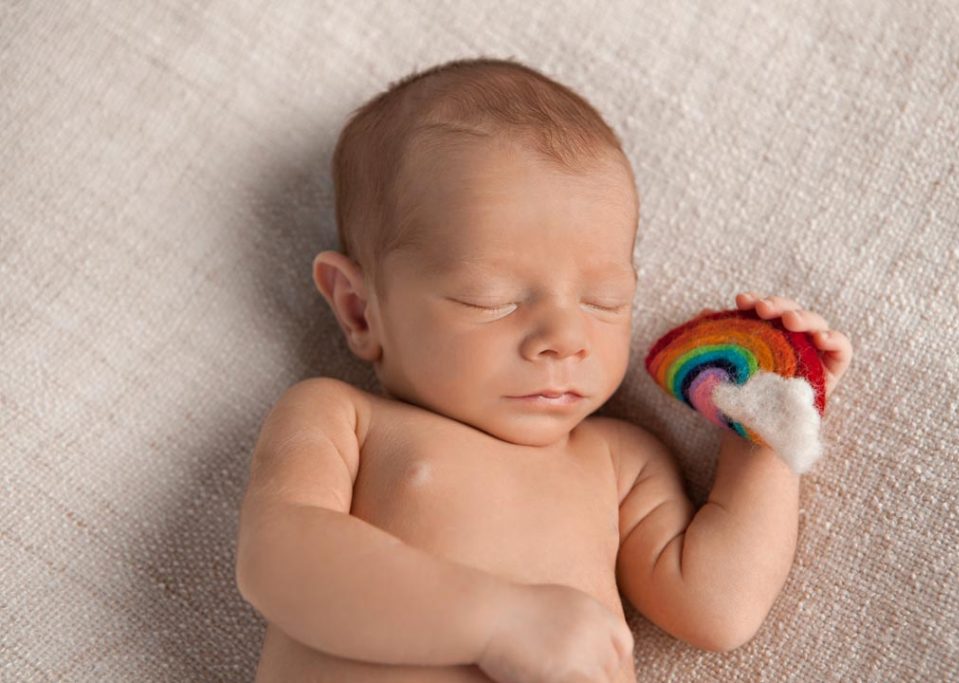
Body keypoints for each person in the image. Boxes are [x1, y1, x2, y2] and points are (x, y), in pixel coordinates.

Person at [234, 56, 853, 683]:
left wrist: (770, 424)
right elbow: (277, 559)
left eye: (603, 301)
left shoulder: (618, 463)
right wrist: (494, 619)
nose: (565, 337)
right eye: (491, 297)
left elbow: (719, 609)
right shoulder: (343, 420)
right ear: (359, 309)